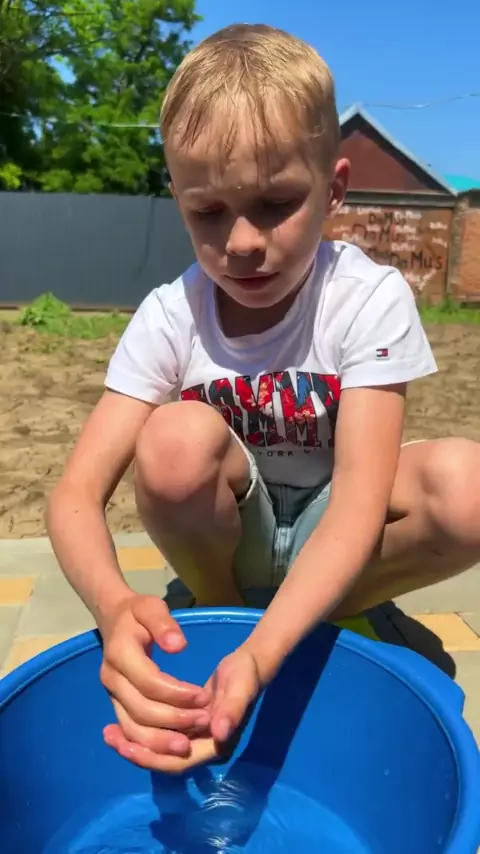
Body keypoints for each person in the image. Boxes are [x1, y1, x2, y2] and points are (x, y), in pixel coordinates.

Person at [47, 23, 480, 775]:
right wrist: (114, 607)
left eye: (276, 202)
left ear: (334, 188)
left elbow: (358, 504)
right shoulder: (172, 314)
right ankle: (221, 609)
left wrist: (265, 653)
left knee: (469, 488)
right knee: (173, 440)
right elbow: (74, 496)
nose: (242, 241)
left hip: (332, 525)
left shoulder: (365, 296)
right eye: (208, 211)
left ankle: (320, 611)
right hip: (233, 537)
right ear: (177, 197)